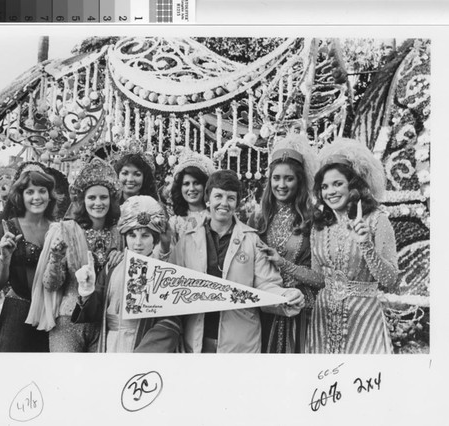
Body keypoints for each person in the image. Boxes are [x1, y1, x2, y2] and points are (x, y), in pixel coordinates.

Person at [170, 169, 305, 353]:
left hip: (241, 343)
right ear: (208, 199)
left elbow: (266, 286)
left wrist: (286, 296)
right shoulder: (186, 241)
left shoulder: (252, 241)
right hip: (196, 341)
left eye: (230, 198)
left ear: (237, 203)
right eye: (218, 196)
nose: (223, 203)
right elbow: (172, 286)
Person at [308, 138, 399, 354]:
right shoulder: (319, 226)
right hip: (322, 319)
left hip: (364, 320)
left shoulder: (378, 220)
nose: (330, 191)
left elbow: (390, 280)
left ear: (354, 185)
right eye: (324, 186)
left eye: (337, 184)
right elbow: (317, 278)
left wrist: (366, 245)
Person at [25, 157, 120, 352]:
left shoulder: (118, 234)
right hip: (68, 321)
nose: (98, 203)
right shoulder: (65, 231)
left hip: (104, 323)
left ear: (111, 200)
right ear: (82, 201)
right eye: (92, 198)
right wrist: (56, 258)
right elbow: (51, 284)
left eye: (103, 197)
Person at [71, 196, 182, 352]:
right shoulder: (113, 267)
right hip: (108, 344)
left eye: (145, 236)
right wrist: (87, 292)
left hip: (142, 347)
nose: (138, 243)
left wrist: (141, 355)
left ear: (155, 239)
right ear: (124, 237)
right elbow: (96, 313)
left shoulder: (163, 271)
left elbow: (170, 323)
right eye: (132, 235)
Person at [248, 134, 324, 353]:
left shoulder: (313, 218)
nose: (281, 185)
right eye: (276, 178)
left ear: (299, 181)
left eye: (288, 178)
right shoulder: (257, 218)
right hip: (265, 310)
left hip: (300, 312)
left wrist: (284, 264)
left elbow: (322, 279)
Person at [0, 163, 57, 352]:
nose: (37, 197)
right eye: (30, 192)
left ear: (50, 195)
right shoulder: (10, 228)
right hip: (18, 313)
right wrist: (4, 258)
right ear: (21, 197)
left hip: (50, 315)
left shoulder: (58, 228)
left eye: (42, 191)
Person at [169, 149, 216, 244]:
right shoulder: (175, 222)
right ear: (180, 188)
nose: (191, 188)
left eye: (196, 183)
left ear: (205, 186)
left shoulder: (214, 217)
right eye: (186, 184)